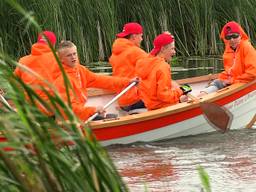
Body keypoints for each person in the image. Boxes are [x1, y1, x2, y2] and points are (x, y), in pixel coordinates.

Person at [54, 41, 132, 121]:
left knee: (111, 117)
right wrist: (93, 110)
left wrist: (126, 82)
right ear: (61, 59)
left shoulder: (80, 70)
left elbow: (101, 80)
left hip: (81, 114)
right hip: (70, 120)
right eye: (69, 55)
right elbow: (69, 108)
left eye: (74, 54)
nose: (73, 57)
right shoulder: (62, 80)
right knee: (107, 118)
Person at [198, 21, 256, 96]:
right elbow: (229, 71)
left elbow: (253, 73)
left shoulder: (247, 47)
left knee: (216, 85)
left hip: (242, 82)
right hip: (232, 81)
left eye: (235, 36)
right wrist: (222, 79)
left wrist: (233, 81)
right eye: (228, 37)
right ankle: (202, 95)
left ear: (240, 35)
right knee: (213, 85)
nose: (232, 40)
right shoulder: (228, 50)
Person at [135, 32, 190, 110]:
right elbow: (163, 95)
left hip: (151, 106)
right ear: (163, 49)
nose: (174, 52)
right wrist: (180, 91)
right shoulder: (163, 66)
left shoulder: (144, 62)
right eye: (172, 49)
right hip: (162, 107)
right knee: (184, 97)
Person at [14, 31, 59, 115]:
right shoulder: (59, 58)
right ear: (53, 45)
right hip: (51, 110)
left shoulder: (23, 60)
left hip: (30, 109)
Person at [109, 22, 148, 112]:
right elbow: (155, 66)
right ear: (134, 36)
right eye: (141, 36)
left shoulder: (115, 54)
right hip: (136, 99)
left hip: (123, 102)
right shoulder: (135, 52)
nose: (142, 39)